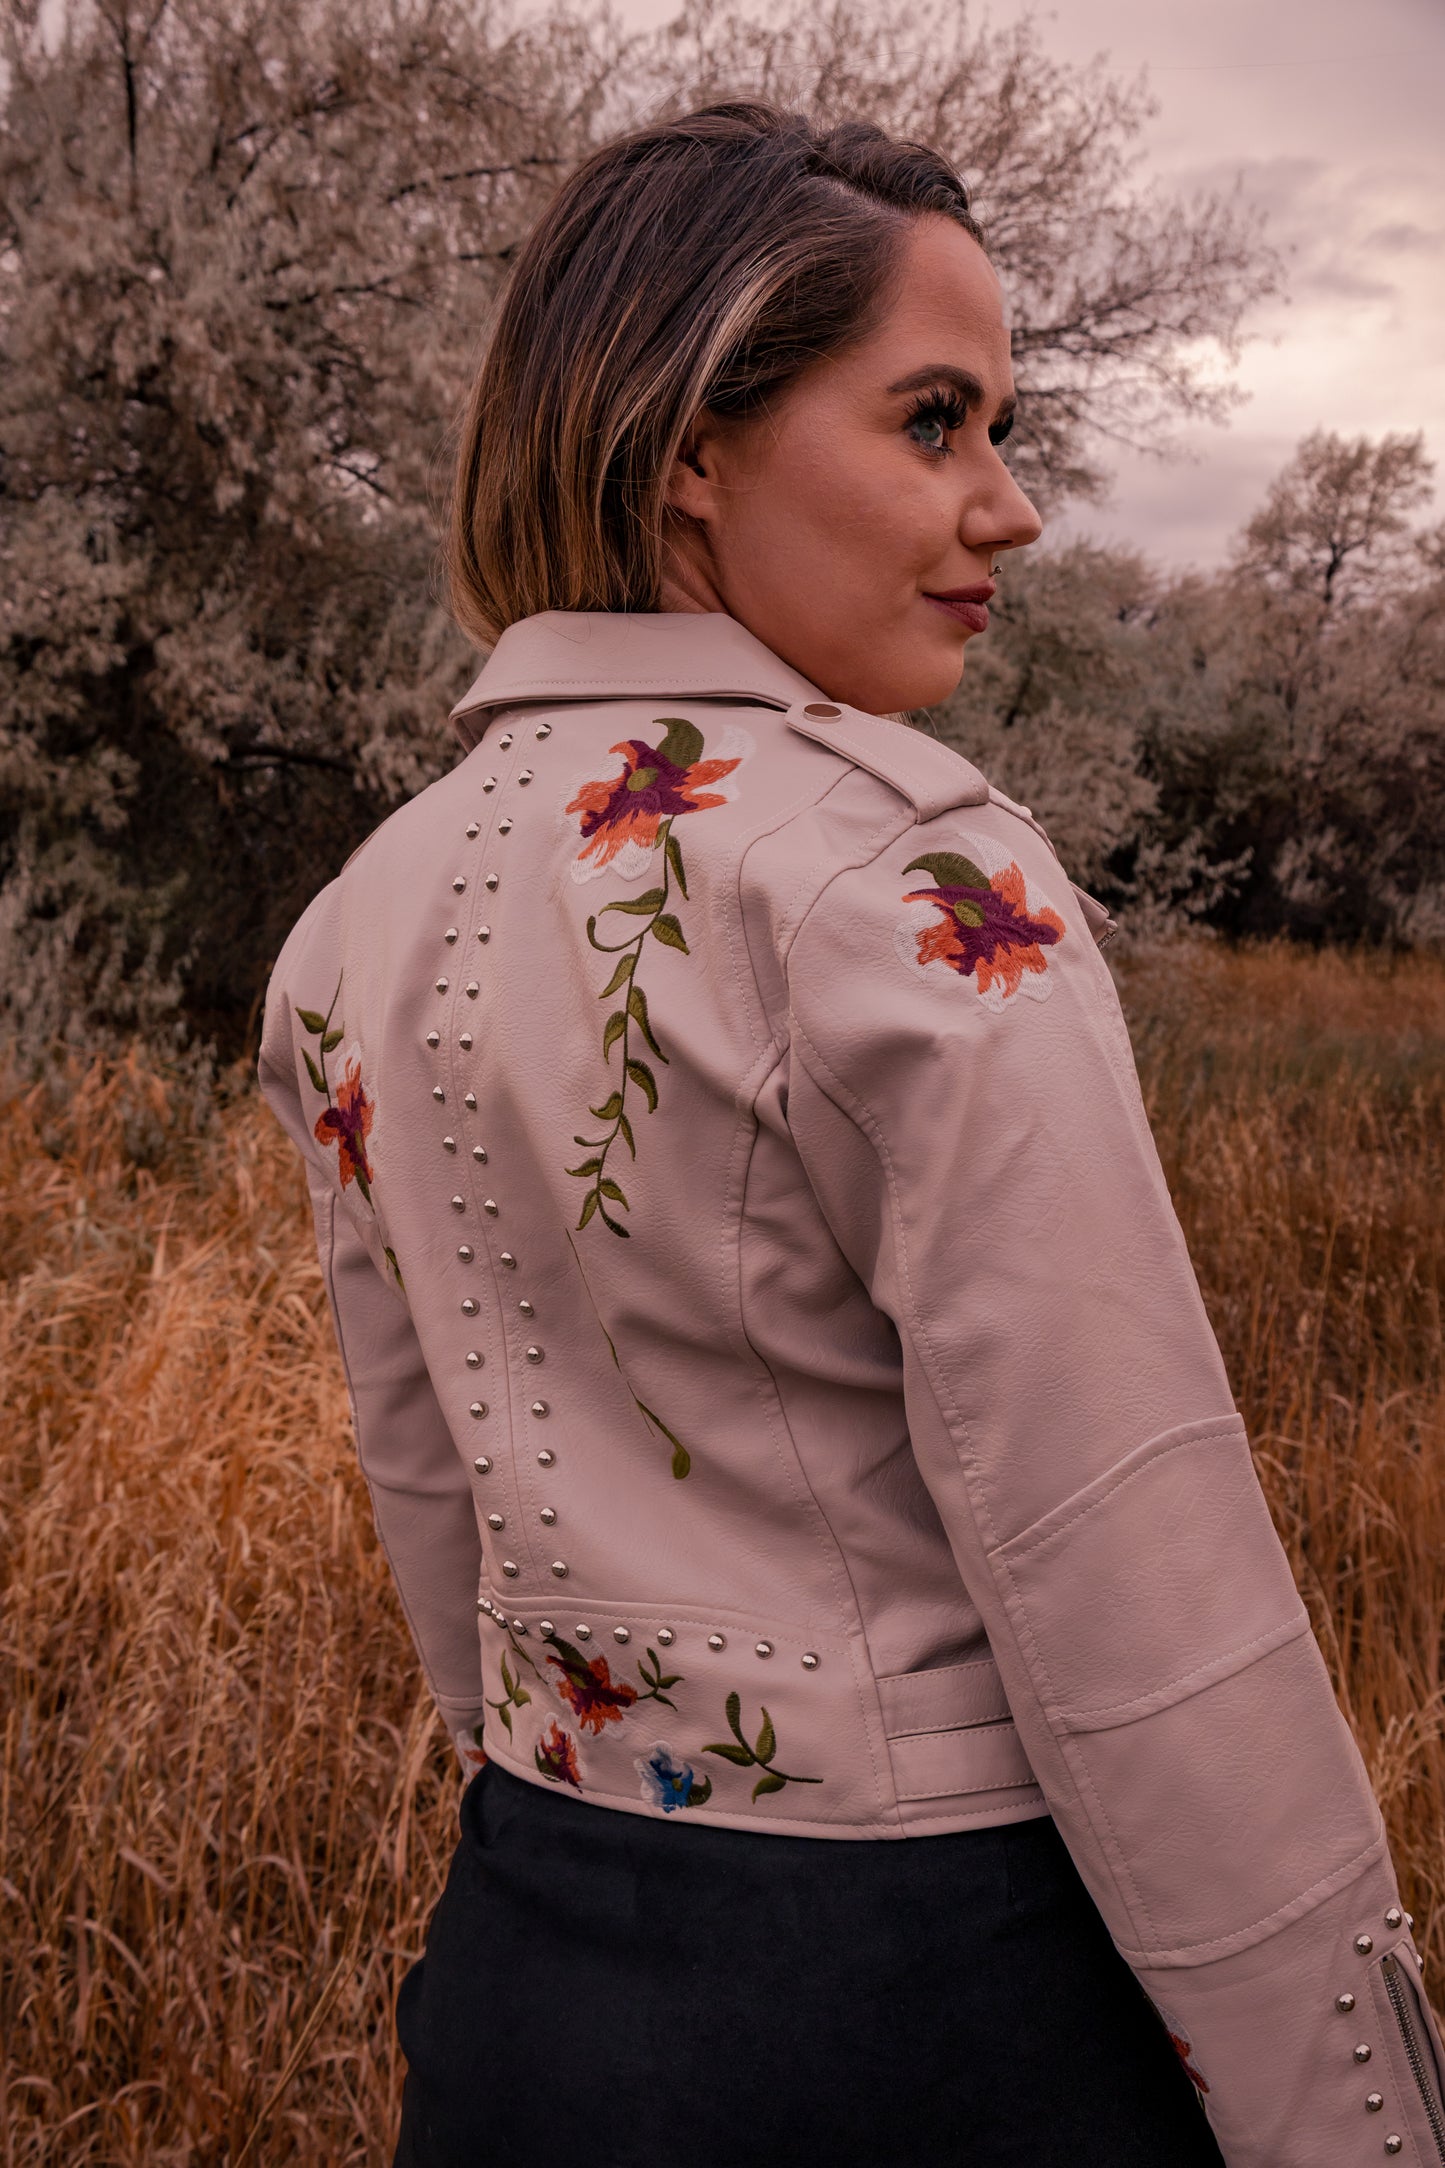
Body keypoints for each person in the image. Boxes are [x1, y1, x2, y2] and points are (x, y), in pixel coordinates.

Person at [257, 100, 1445, 2167]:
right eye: (933, 423)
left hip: (529, 1986)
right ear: (690, 448)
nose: (1013, 507)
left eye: (1002, 426)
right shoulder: (909, 888)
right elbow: (1137, 1586)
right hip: (926, 2015)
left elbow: (443, 1524)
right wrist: (1355, 2116)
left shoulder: (355, 923)